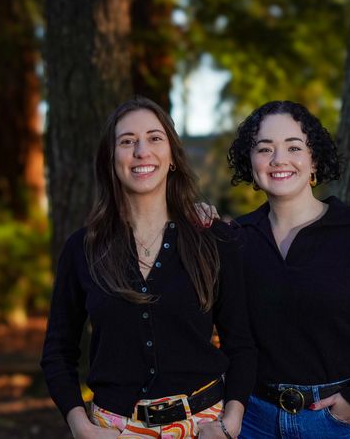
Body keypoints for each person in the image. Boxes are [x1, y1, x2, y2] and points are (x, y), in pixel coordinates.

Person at [41, 96, 256, 439]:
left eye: (155, 138)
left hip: (203, 427)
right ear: (111, 159)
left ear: (171, 156)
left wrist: (230, 424)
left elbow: (241, 344)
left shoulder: (214, 239)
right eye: (127, 141)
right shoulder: (83, 249)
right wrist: (82, 428)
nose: (142, 151)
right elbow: (57, 352)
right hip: (113, 430)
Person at [227, 100, 350, 438]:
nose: (279, 160)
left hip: (342, 422)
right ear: (251, 162)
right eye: (264, 148)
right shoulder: (235, 241)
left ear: (314, 159)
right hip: (256, 422)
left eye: (293, 147)